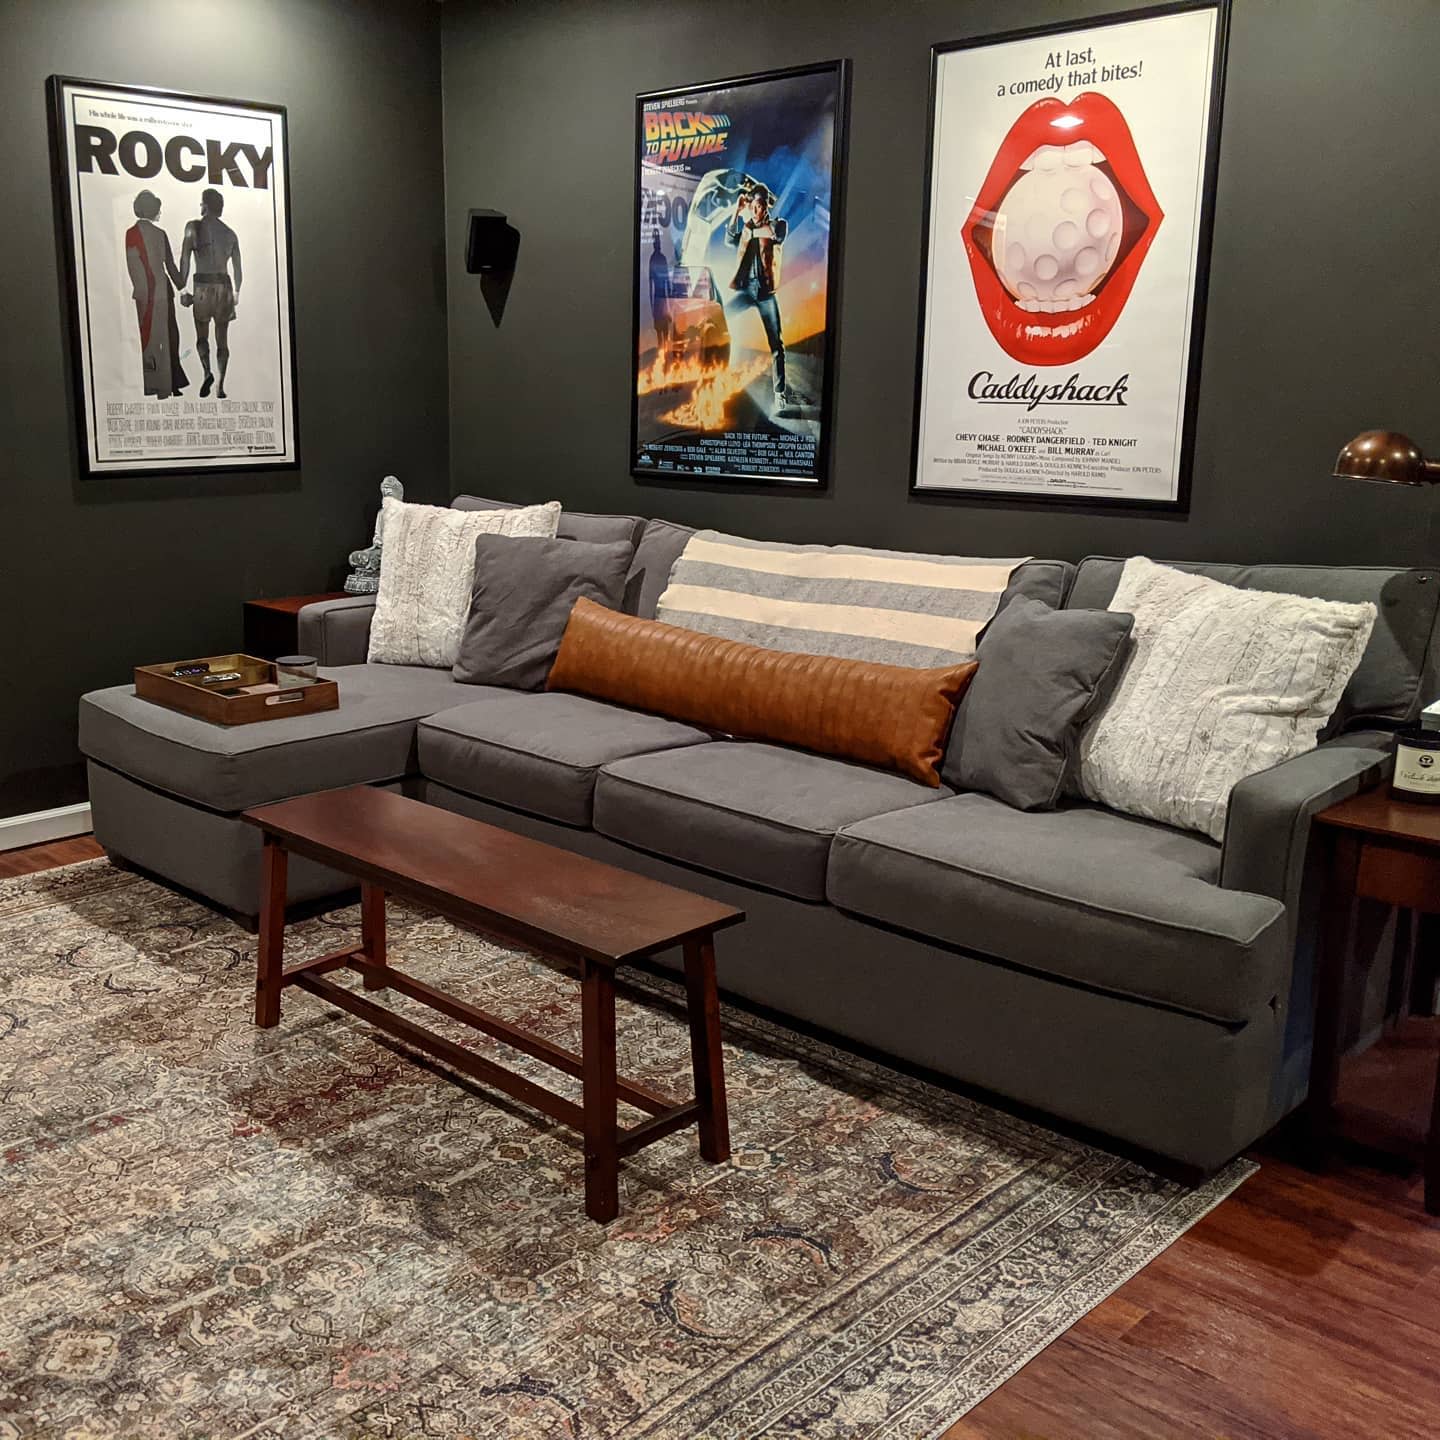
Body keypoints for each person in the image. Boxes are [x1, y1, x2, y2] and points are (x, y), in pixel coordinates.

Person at [178, 188, 242, 399]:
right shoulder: (230, 233)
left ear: (205, 205)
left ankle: (207, 372)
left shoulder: (193, 227)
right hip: (224, 286)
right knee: (222, 340)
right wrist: (237, 293)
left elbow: (185, 259)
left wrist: (183, 289)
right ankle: (220, 386)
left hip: (203, 286)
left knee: (202, 337)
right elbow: (238, 271)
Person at [124, 190, 188, 400]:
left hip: (145, 294)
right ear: (152, 209)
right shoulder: (160, 234)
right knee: (169, 337)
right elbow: (170, 265)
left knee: (149, 339)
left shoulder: (131, 233)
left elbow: (133, 266)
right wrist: (183, 288)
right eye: (158, 209)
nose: (160, 212)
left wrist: (142, 292)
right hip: (162, 291)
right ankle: (170, 385)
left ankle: (153, 385)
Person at [726, 182, 788, 397]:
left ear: (766, 207)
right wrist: (736, 211)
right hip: (746, 290)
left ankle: (780, 393)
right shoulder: (746, 229)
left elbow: (775, 235)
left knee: (776, 345)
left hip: (765, 294)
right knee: (721, 317)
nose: (754, 210)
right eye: (752, 205)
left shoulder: (777, 225)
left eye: (759, 205)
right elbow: (728, 238)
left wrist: (749, 229)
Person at [647, 230, 672, 357]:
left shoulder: (658, 258)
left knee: (664, 334)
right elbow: (652, 283)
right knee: (661, 335)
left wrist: (668, 304)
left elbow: (666, 280)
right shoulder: (656, 258)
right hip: (659, 300)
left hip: (660, 300)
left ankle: (665, 357)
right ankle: (663, 357)